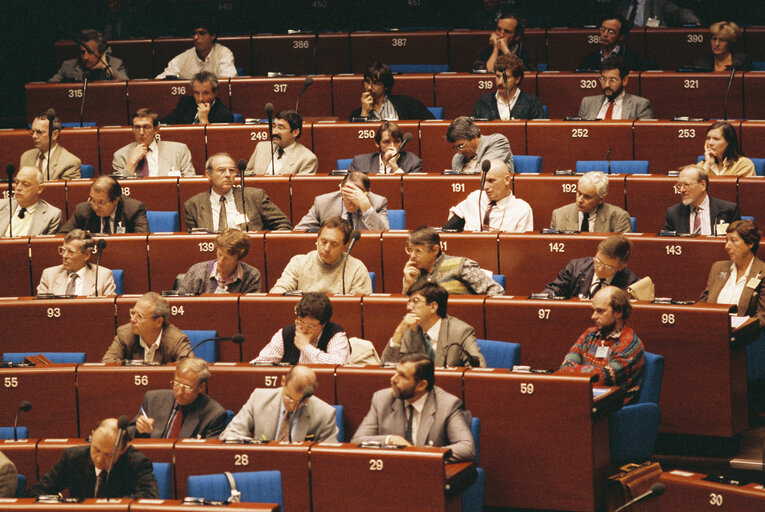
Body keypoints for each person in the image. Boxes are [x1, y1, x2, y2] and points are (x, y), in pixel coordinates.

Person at [351, 353, 475, 463]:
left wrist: (428, 454)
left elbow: (467, 447)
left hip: (427, 478)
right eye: (396, 372)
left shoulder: (447, 404)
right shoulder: (382, 399)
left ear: (421, 385)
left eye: (402, 376)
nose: (393, 379)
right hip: (390, 474)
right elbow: (357, 441)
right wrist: (390, 440)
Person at [27, 417, 158, 499]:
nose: (99, 460)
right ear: (92, 435)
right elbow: (35, 491)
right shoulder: (73, 457)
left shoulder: (137, 462)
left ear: (123, 449)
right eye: (96, 450)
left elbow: (148, 497)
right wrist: (56, 501)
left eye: (108, 455)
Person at [559, 287, 645, 403]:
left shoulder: (631, 344)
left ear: (619, 312)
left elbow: (603, 377)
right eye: (593, 310)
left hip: (612, 409)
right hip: (581, 399)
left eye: (600, 311)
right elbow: (564, 368)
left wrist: (576, 372)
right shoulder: (589, 334)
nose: (593, 316)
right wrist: (587, 373)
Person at [220, 365, 339, 443]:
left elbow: (329, 457)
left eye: (300, 403)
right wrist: (255, 445)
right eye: (289, 398)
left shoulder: (325, 414)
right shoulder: (259, 399)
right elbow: (230, 434)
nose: (292, 406)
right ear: (283, 381)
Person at [383, 281, 486, 367]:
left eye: (415, 301)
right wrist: (398, 332)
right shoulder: (409, 330)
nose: (409, 307)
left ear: (433, 307)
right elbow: (386, 367)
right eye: (408, 302)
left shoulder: (460, 331)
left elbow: (479, 367)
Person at [184, 153, 292, 232]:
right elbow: (195, 242)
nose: (227, 175)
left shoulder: (254, 196)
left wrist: (265, 244)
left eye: (232, 170)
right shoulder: (193, 205)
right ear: (208, 174)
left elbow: (283, 224)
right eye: (221, 170)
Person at [128, 357, 227, 439]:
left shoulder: (214, 415)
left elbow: (206, 456)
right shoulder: (153, 399)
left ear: (201, 387)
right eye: (176, 384)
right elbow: (128, 433)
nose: (179, 392)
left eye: (186, 388)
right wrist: (139, 430)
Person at [270, 216, 373, 294]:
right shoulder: (299, 262)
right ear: (317, 239)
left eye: (334, 244)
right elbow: (278, 292)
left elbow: (357, 311)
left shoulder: (357, 269)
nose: (327, 249)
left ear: (345, 247)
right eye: (323, 241)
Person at [699, 220, 765, 328]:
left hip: (743, 336)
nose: (727, 246)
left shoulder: (762, 272)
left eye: (733, 241)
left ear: (750, 244)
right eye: (726, 240)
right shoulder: (718, 268)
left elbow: (762, 317)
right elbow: (703, 304)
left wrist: (738, 327)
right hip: (711, 330)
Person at [252, 292, 350, 364]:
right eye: (300, 323)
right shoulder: (286, 333)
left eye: (310, 326)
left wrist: (306, 347)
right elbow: (260, 364)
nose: (303, 329)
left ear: (323, 324)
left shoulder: (336, 334)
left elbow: (338, 364)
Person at [402, 226, 504, 295]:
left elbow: (497, 292)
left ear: (435, 250)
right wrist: (408, 286)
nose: (412, 256)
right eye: (410, 250)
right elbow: (409, 311)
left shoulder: (461, 266)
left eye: (418, 251)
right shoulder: (412, 274)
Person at [443, 159, 533, 232]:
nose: (485, 187)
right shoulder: (475, 198)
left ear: (507, 180)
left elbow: (521, 248)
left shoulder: (522, 209)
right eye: (483, 181)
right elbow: (449, 228)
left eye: (491, 181)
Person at [102, 292, 193, 363]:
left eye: (140, 316)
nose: (132, 320)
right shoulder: (125, 335)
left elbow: (189, 367)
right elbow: (108, 363)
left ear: (158, 322)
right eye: (133, 313)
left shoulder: (176, 340)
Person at [542, 234, 639, 299]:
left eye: (608, 267)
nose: (600, 269)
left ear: (621, 267)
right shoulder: (576, 267)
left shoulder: (631, 284)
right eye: (597, 261)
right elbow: (553, 290)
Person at [113, 108, 196, 177]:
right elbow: (118, 191)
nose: (141, 132)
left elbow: (190, 184)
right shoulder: (121, 155)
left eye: (146, 127)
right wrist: (131, 164)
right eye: (137, 127)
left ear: (156, 130)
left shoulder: (178, 150)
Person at [295, 171, 389, 232]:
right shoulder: (323, 202)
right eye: (346, 193)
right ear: (340, 189)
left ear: (367, 193)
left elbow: (384, 234)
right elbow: (299, 231)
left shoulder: (378, 202)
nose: (350, 199)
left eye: (355, 194)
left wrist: (366, 207)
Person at [176, 228, 261, 294]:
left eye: (227, 258)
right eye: (219, 254)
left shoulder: (252, 276)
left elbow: (249, 311)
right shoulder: (196, 271)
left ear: (238, 258)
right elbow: (182, 305)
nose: (220, 261)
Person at [664, 165, 741, 235]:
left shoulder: (728, 210)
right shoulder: (674, 213)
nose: (681, 190)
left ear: (703, 185)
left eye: (686, 185)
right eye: (679, 185)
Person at [37, 229, 116, 296]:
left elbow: (110, 309)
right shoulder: (49, 275)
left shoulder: (103, 276)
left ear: (87, 255)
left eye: (71, 252)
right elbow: (41, 309)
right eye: (63, 250)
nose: (64, 256)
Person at [61, 176, 149, 234]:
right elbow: (62, 237)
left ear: (115, 200)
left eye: (101, 203)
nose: (95, 207)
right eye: (92, 200)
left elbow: (141, 242)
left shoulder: (133, 210)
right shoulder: (83, 210)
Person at [349, 62, 435, 122]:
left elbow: (430, 124)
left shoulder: (407, 104)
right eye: (367, 82)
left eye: (375, 83)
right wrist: (364, 113)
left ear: (386, 86)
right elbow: (355, 140)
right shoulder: (356, 114)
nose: (369, 87)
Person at [549, 171, 632, 233]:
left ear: (600, 199)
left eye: (587, 197)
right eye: (579, 193)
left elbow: (621, 254)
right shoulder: (559, 215)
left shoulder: (618, 218)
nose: (580, 200)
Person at [471, 54, 545, 121]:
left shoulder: (532, 103)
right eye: (498, 76)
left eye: (506, 78)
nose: (500, 82)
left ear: (517, 79)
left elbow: (540, 132)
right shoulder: (484, 102)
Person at [244, 110, 318, 175]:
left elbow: (300, 188)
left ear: (295, 132)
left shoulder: (307, 159)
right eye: (274, 126)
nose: (274, 132)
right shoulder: (261, 147)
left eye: (280, 127)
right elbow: (246, 175)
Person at [578, 57, 653, 120]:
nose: (607, 84)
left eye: (612, 80)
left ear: (624, 80)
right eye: (603, 79)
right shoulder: (587, 103)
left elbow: (646, 135)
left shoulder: (640, 105)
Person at [156, 24, 237, 79]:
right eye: (194, 33)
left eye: (201, 33)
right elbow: (160, 81)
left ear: (213, 36)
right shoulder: (184, 57)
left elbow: (229, 81)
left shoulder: (224, 53)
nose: (195, 37)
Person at [0, 166, 62, 236]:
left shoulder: (52, 215)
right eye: (17, 183)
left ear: (39, 189)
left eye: (25, 184)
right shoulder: (1, 206)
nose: (18, 188)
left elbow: (45, 246)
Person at [49, 29, 129, 82]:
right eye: (82, 52)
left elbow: (127, 85)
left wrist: (106, 67)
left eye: (90, 52)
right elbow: (49, 87)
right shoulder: (68, 67)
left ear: (101, 52)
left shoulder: (116, 64)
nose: (85, 57)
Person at [20, 113, 81, 181]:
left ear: (55, 135)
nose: (34, 136)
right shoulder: (26, 157)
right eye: (33, 131)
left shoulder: (70, 162)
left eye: (39, 132)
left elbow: (66, 191)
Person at [347, 121, 423, 174]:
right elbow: (347, 186)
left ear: (401, 142)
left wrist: (394, 166)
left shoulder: (413, 163)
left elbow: (412, 190)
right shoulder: (360, 163)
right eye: (387, 142)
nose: (392, 146)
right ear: (377, 143)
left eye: (396, 141)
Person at [161, 71, 234, 125]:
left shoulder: (224, 114)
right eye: (197, 93)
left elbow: (216, 141)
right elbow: (166, 123)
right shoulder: (185, 103)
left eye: (205, 93)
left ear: (214, 93)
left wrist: (204, 120)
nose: (200, 99)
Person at [577, 14, 644, 72]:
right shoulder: (588, 59)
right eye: (603, 30)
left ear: (621, 36)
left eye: (611, 31)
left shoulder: (631, 58)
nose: (605, 34)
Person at [447, 116, 514, 174]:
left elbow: (484, 172)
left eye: (461, 146)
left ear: (474, 137)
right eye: (455, 148)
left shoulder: (498, 142)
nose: (459, 152)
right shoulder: (457, 158)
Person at [614, 0, 701, 27]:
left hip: (651, 43)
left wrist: (695, 21)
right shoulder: (621, 4)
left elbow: (678, 13)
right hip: (626, 44)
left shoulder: (658, 2)